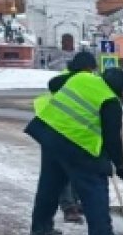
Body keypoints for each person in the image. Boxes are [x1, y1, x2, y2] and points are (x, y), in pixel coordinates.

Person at [26, 66, 123, 235]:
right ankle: (101, 234)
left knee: (49, 185)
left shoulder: (82, 77)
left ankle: (40, 227)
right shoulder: (110, 101)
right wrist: (120, 165)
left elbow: (54, 83)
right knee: (95, 185)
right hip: (75, 143)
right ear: (120, 89)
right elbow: (112, 138)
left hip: (49, 134)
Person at [34, 50, 98, 224]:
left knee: (77, 169)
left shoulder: (85, 80)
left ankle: (75, 204)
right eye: (89, 69)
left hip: (73, 130)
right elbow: (53, 84)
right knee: (61, 173)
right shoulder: (66, 78)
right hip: (55, 129)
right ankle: (68, 207)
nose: (91, 73)